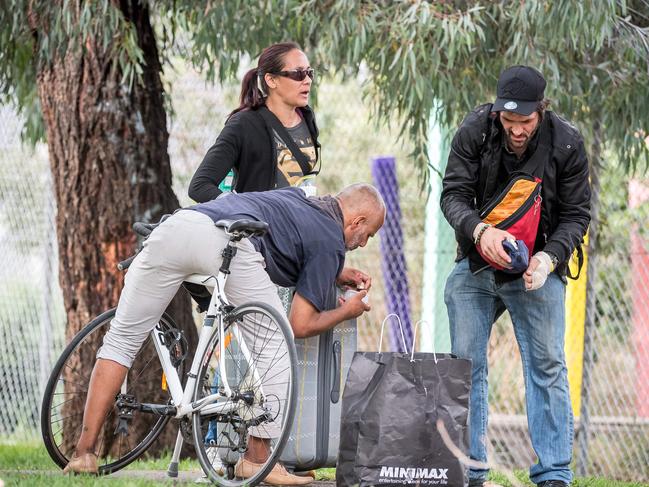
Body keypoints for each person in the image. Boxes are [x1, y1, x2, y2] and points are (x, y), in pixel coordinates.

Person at [63, 183, 386, 486]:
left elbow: (293, 242)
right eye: (368, 234)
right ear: (356, 221)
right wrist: (348, 310)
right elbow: (300, 324)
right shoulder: (330, 239)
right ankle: (257, 459)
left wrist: (335, 271)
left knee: (120, 341)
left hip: (177, 226)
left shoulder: (299, 199)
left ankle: (84, 453)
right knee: (277, 342)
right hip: (223, 243)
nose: (363, 243)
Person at [441, 65, 591, 487]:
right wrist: (479, 231)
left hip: (536, 268)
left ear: (540, 111)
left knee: (547, 366)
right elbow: (452, 194)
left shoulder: (567, 142)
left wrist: (547, 260)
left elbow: (578, 214)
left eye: (524, 121)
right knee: (465, 365)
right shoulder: (475, 128)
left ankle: (554, 474)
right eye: (508, 121)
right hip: (477, 263)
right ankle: (471, 472)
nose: (516, 130)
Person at [189, 41, 320, 202]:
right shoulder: (243, 124)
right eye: (298, 74)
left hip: (298, 221)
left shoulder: (306, 116)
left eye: (309, 73)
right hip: (262, 224)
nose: (307, 80)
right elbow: (199, 186)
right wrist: (243, 209)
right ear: (271, 80)